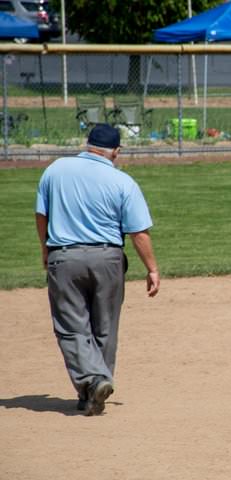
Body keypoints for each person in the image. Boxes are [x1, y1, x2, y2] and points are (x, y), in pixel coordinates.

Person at [35, 124, 160, 416]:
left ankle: (92, 383)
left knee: (71, 328)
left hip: (64, 258)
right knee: (105, 327)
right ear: (116, 151)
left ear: (86, 144)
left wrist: (45, 248)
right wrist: (152, 268)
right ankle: (97, 384)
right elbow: (138, 232)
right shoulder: (122, 181)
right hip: (108, 259)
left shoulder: (55, 170)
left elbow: (41, 214)